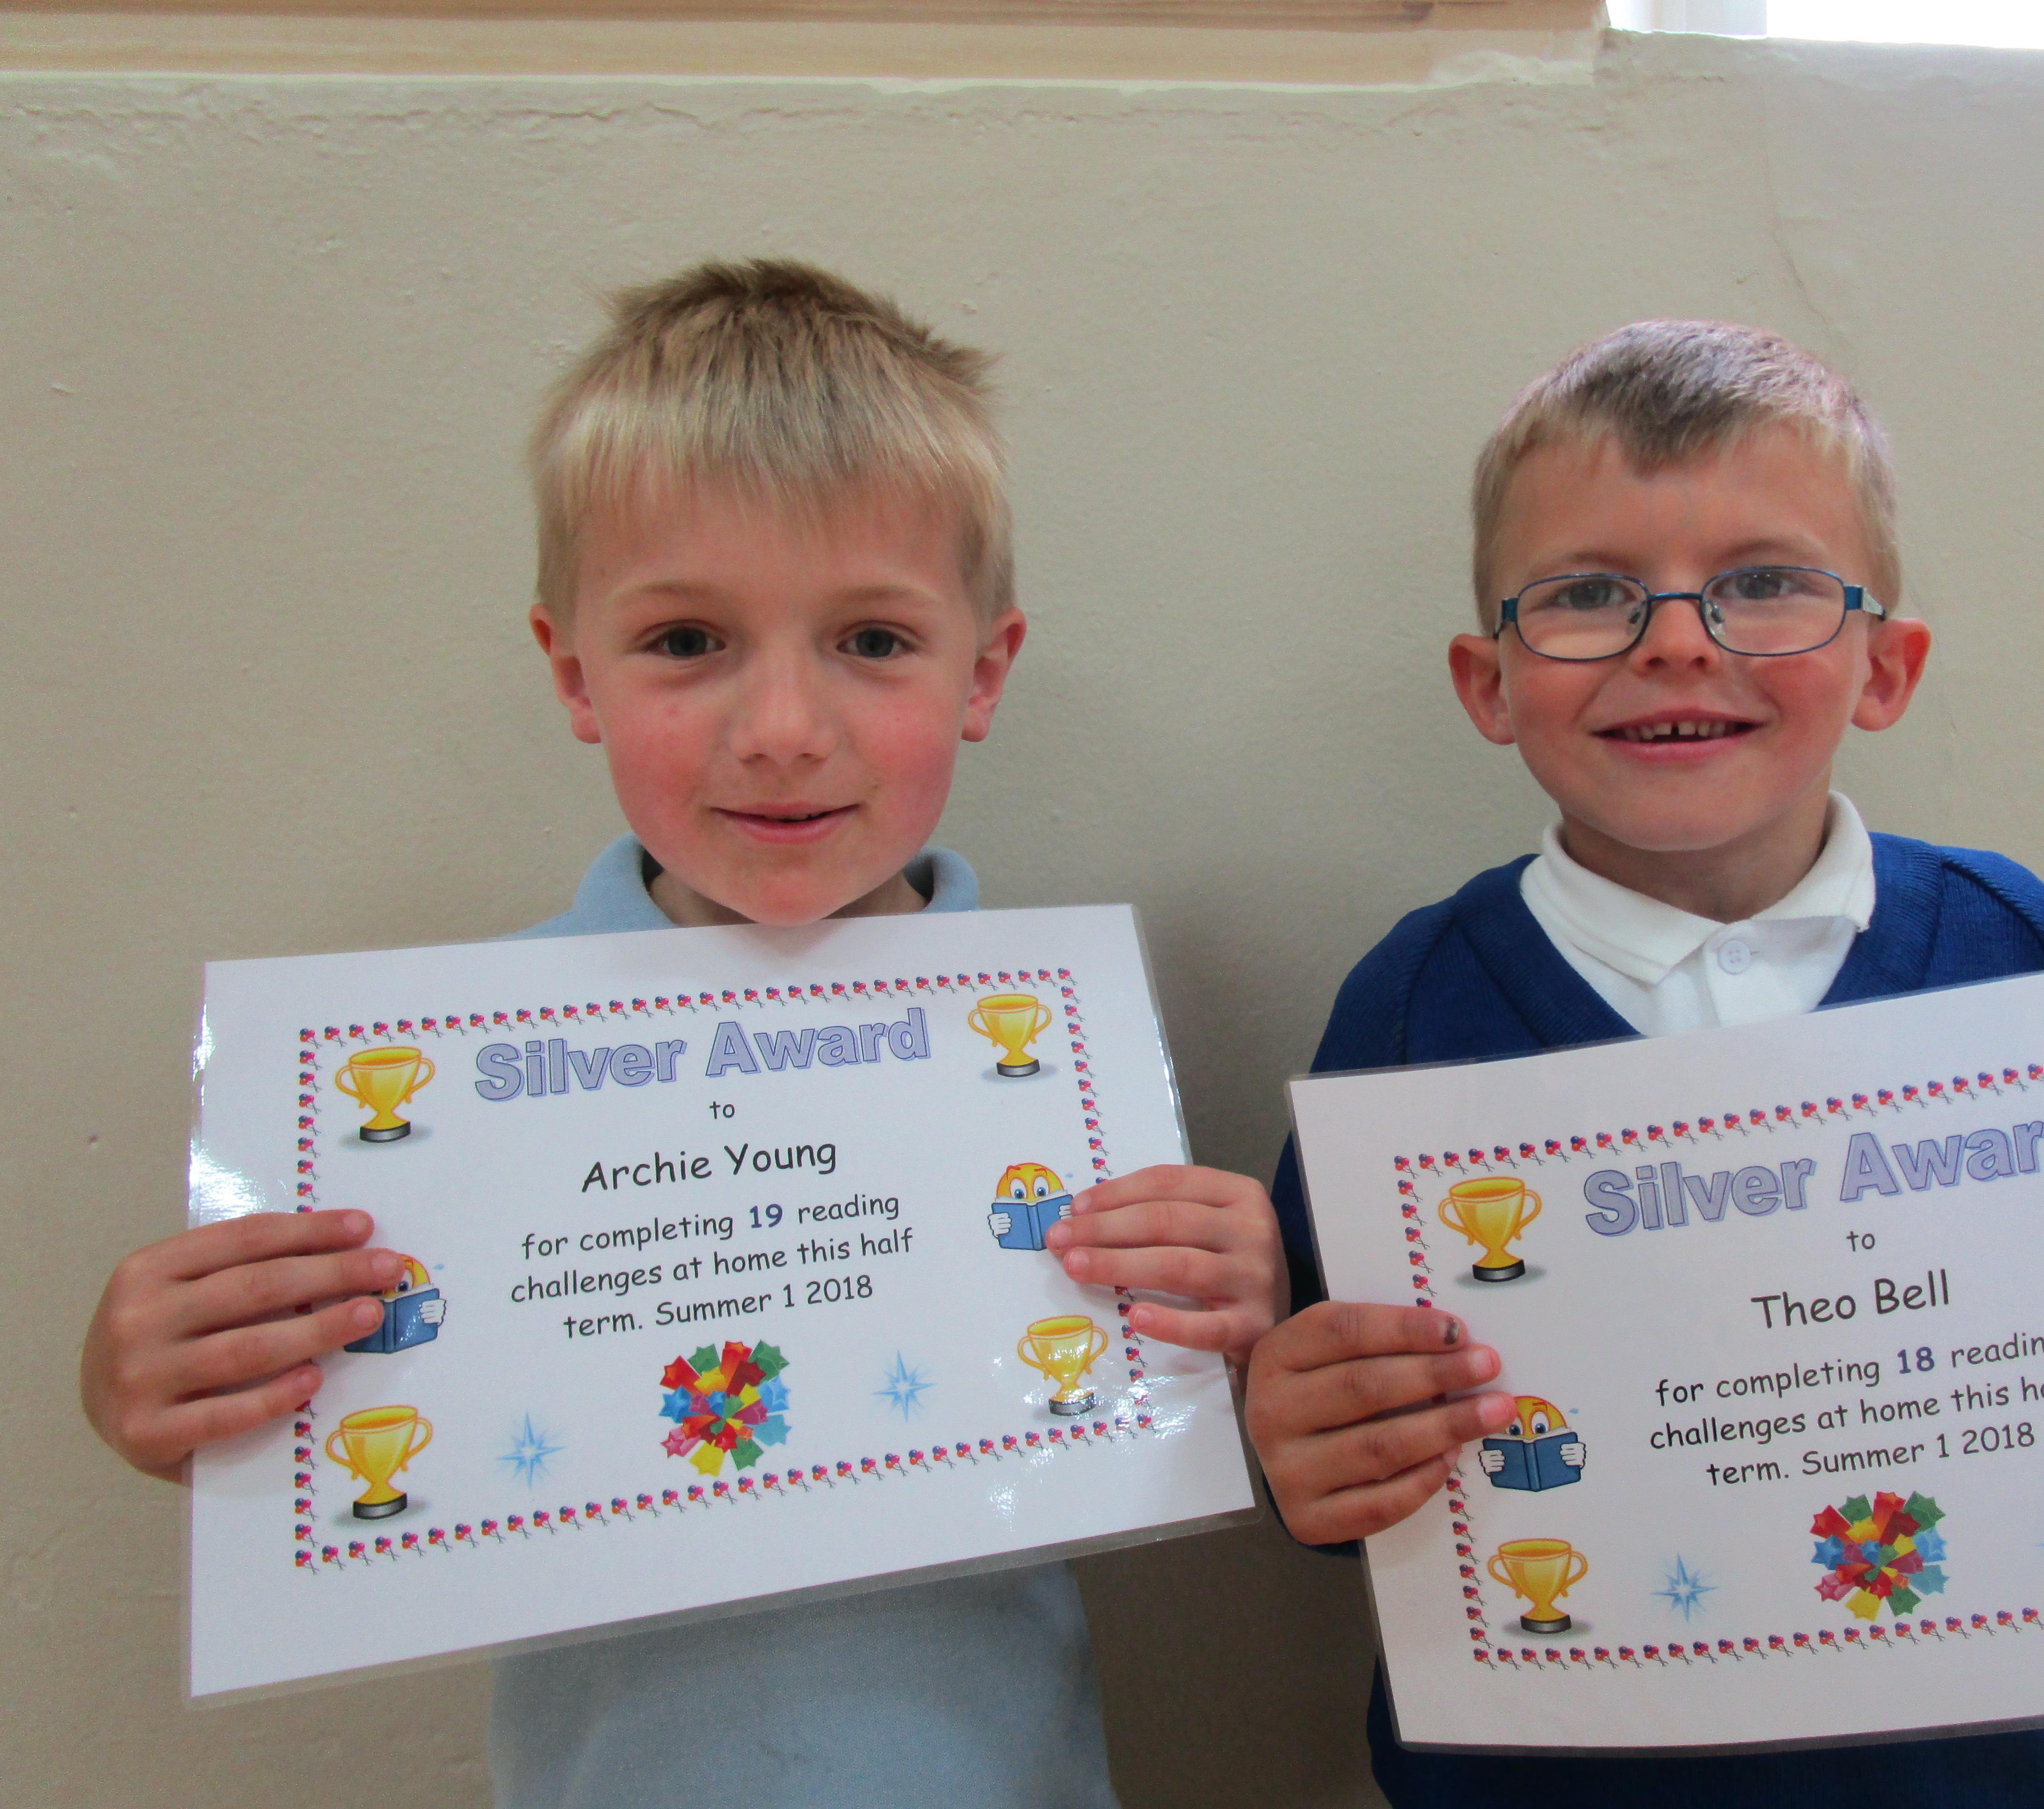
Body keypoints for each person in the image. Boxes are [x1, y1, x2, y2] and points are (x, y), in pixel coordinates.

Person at [79, 258, 1284, 1808]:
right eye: (687, 641)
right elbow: (313, 1410)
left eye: (872, 640)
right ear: (573, 672)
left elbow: (1135, 1402)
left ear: (983, 673)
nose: (781, 731)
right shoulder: (433, 1091)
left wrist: (1235, 1307)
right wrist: (157, 1384)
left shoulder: (1057, 1071)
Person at [1248, 317, 2044, 1808]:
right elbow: (1333, 1416)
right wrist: (1297, 1444)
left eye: (1763, 583)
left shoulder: (2021, 947)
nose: (1677, 640)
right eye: (1589, 593)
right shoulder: (1409, 1009)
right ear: (1489, 685)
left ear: (1886, 666)